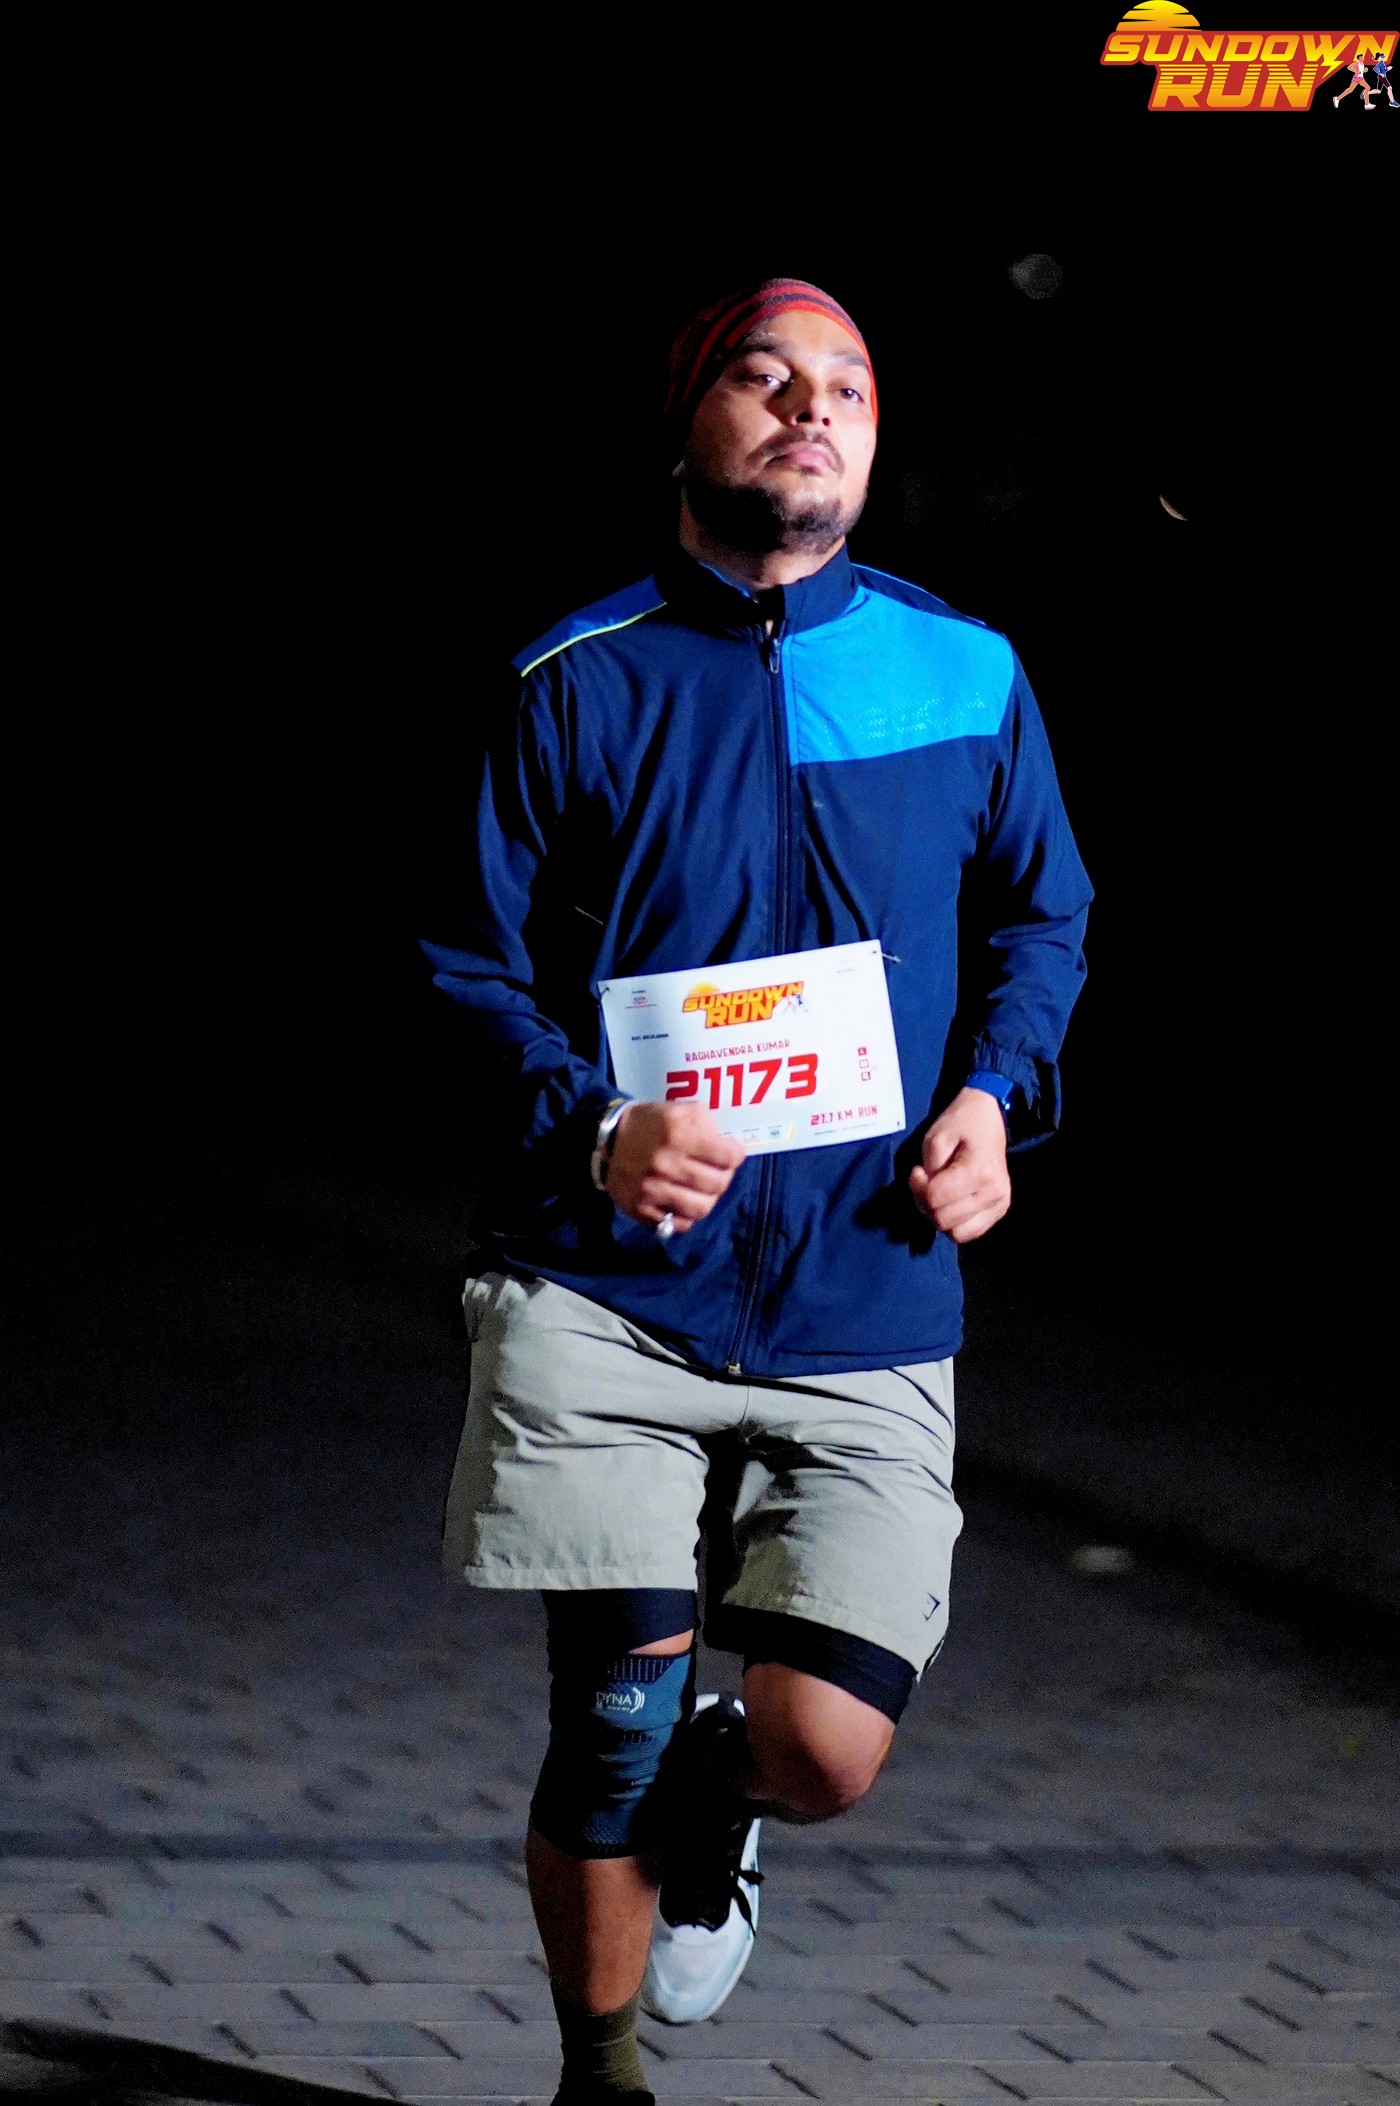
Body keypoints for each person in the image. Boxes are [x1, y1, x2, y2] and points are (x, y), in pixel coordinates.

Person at [424, 277, 1092, 2104]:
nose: (812, 408)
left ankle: (727, 1790)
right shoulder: (577, 678)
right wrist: (592, 1128)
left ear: (875, 445)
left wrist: (994, 1097)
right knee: (609, 1723)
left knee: (829, 1747)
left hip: (868, 1287)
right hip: (611, 1289)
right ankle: (603, 2076)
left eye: (849, 388)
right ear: (686, 425)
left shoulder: (966, 672)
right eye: (765, 374)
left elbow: (1046, 915)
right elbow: (460, 963)